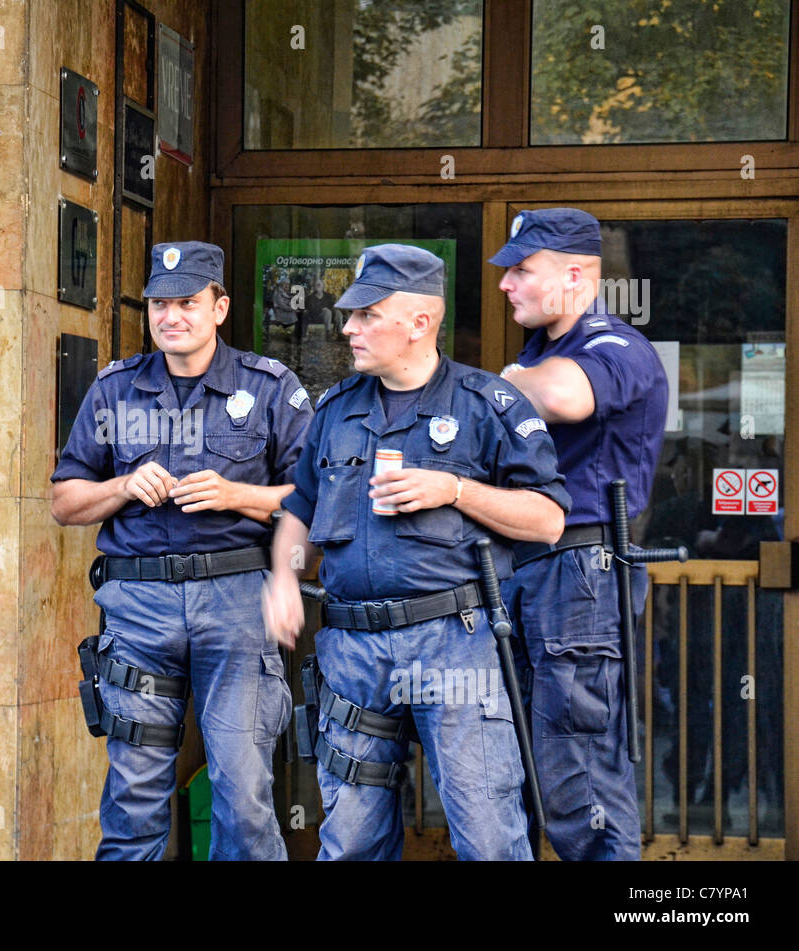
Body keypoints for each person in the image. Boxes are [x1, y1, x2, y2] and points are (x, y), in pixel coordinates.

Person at [263, 244, 570, 861]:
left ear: (420, 323)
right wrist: (284, 578)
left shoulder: (489, 405)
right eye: (350, 315)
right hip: (351, 648)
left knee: (486, 832)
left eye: (367, 315)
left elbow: (548, 520)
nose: (347, 327)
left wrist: (454, 489)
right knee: (350, 839)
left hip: (454, 641)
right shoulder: (334, 410)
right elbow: (299, 506)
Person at [51, 241, 312, 860]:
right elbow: (64, 502)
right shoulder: (114, 390)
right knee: (134, 797)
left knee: (242, 790)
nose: (172, 316)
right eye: (160, 304)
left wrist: (237, 494)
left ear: (219, 307)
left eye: (188, 303)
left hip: (236, 601)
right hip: (139, 607)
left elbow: (316, 501)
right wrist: (119, 485)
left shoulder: (270, 389)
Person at [494, 207, 669, 861]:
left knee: (580, 774)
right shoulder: (536, 354)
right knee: (520, 766)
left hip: (583, 573)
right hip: (529, 569)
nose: (507, 283)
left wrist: (504, 384)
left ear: (575, 274)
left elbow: (568, 397)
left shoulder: (613, 345)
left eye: (522, 269)